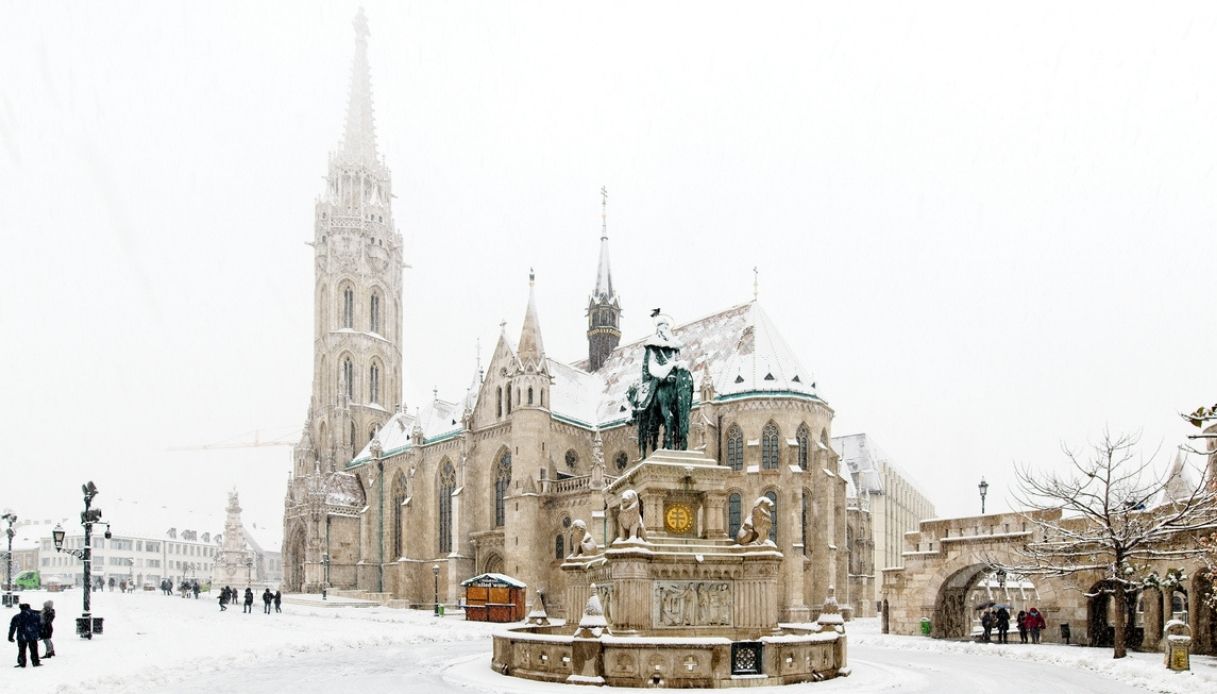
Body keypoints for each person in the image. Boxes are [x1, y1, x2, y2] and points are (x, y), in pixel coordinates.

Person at [7, 603, 42, 668]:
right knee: (34, 649)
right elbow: (40, 626)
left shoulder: (17, 617)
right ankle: (35, 662)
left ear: (21, 609)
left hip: (21, 636)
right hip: (32, 635)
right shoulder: (36, 616)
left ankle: (22, 662)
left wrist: (10, 636)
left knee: (22, 650)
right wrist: (40, 634)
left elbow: (12, 627)